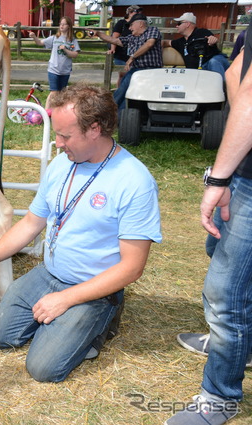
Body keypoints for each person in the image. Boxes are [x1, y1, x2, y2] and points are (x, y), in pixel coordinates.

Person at [0, 84, 162, 383]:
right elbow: (30, 224)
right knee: (0, 338)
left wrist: (66, 299)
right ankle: (61, 323)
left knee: (43, 369)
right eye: (56, 134)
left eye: (64, 136)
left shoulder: (134, 181)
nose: (58, 144)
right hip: (49, 274)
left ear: (94, 129)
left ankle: (103, 320)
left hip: (92, 287)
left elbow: (132, 267)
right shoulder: (62, 163)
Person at [165, 26, 252, 425]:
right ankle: (237, 346)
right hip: (244, 169)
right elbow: (236, 75)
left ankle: (219, 397)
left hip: (243, 176)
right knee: (218, 253)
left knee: (225, 292)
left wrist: (217, 179)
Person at [91, 13, 162, 112]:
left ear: (141, 24)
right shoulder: (131, 38)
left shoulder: (152, 30)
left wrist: (132, 57)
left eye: (131, 25)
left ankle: (107, 112)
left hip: (151, 70)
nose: (130, 28)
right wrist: (98, 33)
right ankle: (118, 116)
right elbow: (114, 40)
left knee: (123, 89)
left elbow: (149, 44)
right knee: (124, 91)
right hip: (137, 70)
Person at [28, 16, 80, 105]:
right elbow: (40, 43)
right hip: (53, 69)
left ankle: (57, 111)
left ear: (69, 26)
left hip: (65, 71)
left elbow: (75, 54)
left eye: (64, 24)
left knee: (61, 94)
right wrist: (34, 37)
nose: (62, 26)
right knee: (53, 92)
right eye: (61, 24)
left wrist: (65, 50)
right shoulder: (54, 38)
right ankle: (46, 113)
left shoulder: (73, 40)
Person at [161, 12, 230, 79]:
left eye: (179, 23)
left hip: (210, 65)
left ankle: (222, 87)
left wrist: (212, 39)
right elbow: (167, 42)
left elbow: (211, 38)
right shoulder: (180, 42)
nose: (177, 26)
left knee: (214, 62)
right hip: (195, 72)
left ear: (187, 24)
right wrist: (157, 42)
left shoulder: (202, 32)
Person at [107, 5, 143, 86]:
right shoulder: (121, 23)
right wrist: (113, 49)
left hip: (135, 54)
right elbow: (115, 37)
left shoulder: (140, 24)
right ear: (130, 12)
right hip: (122, 54)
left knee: (134, 75)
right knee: (123, 75)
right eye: (137, 11)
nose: (139, 13)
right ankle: (120, 92)